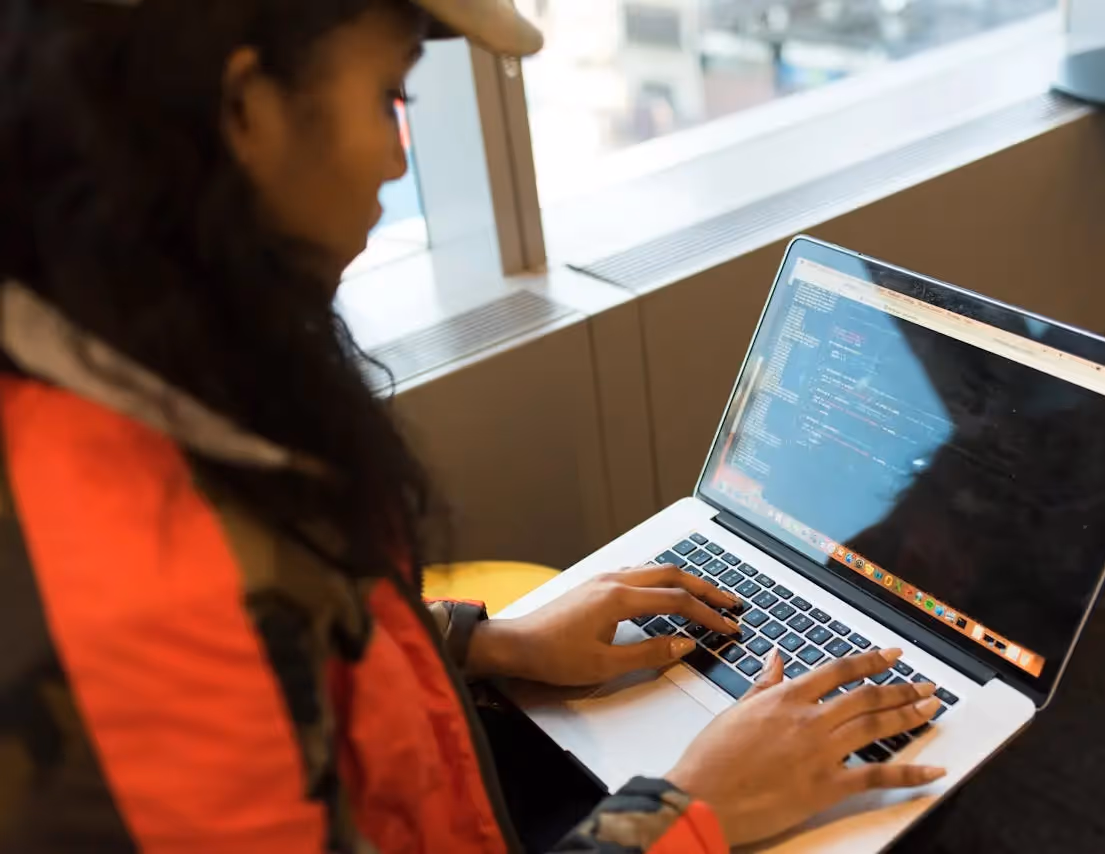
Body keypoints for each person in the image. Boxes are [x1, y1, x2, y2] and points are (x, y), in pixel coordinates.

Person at [0, 0, 946, 850]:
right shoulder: (154, 614)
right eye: (387, 99)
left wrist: (484, 646)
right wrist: (689, 811)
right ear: (246, 110)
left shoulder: (138, 372)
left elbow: (312, 647)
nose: (396, 158)